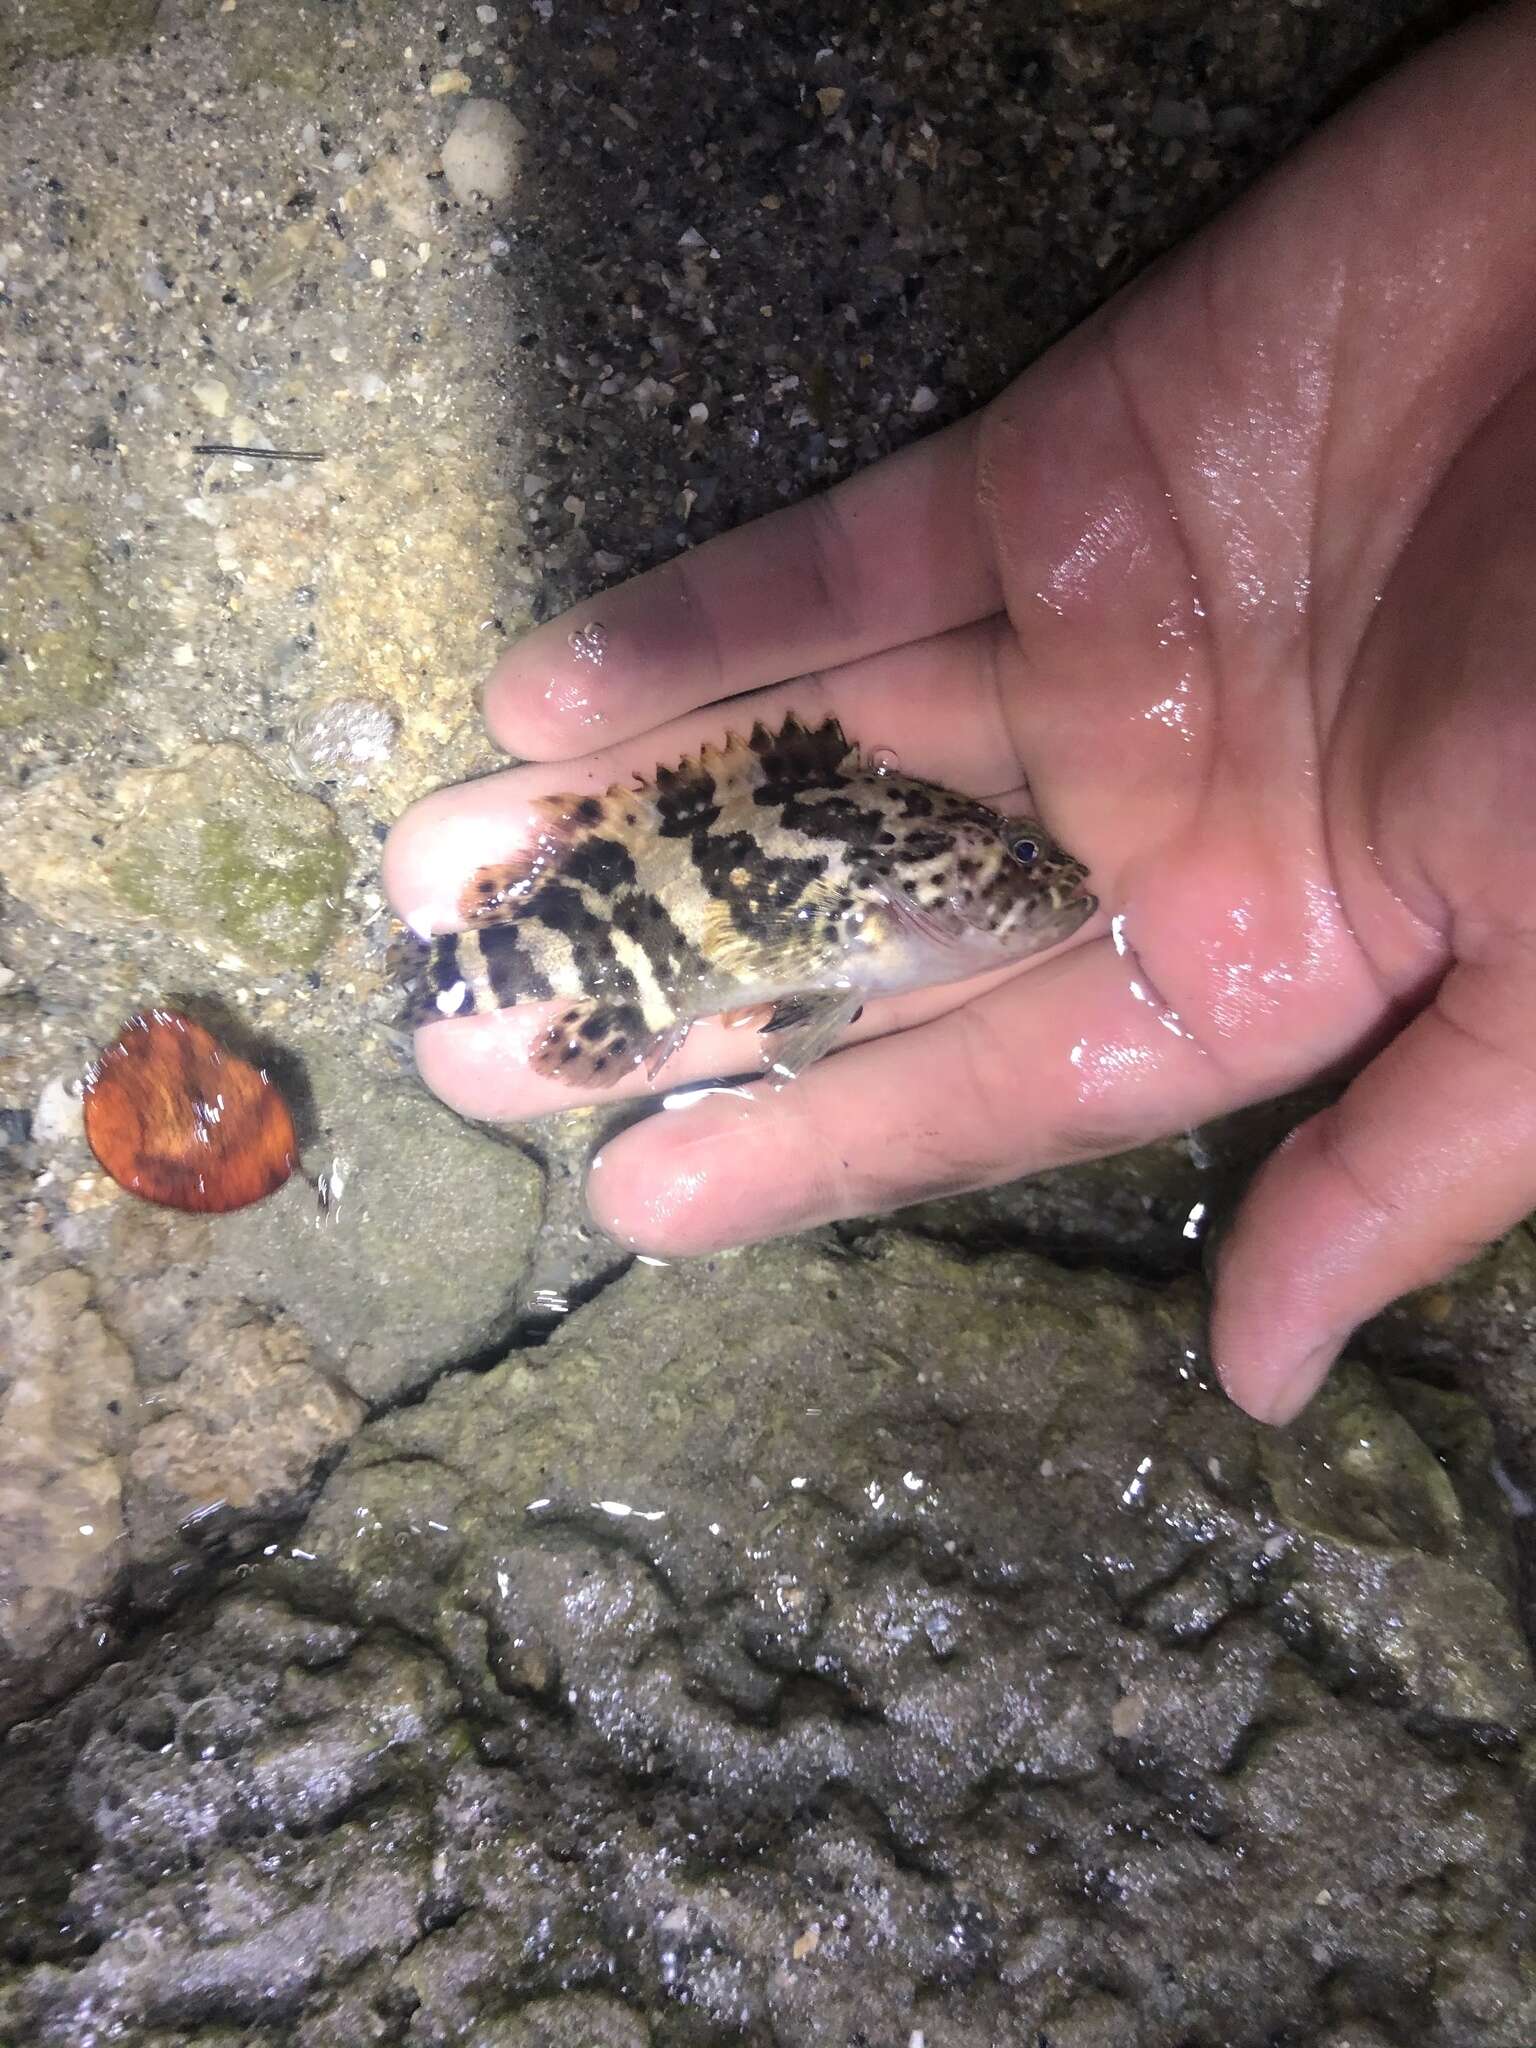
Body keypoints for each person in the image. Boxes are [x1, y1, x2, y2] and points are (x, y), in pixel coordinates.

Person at [385, 2, 1536, 1428]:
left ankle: (436, 986)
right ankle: (441, 977)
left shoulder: (892, 890)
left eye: (1033, 876)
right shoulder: (877, 899)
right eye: (1030, 877)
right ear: (929, 888)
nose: (1053, 888)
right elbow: (806, 967)